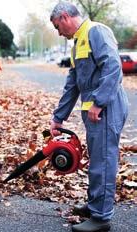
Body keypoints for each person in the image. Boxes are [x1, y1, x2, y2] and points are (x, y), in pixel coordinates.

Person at [50, 1, 128, 232]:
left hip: (106, 108)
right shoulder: (77, 43)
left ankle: (101, 218)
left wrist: (99, 102)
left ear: (64, 17)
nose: (58, 32)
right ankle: (95, 205)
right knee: (97, 159)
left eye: (57, 26)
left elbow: (113, 67)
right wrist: (58, 117)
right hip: (95, 112)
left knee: (103, 161)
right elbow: (72, 84)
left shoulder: (96, 31)